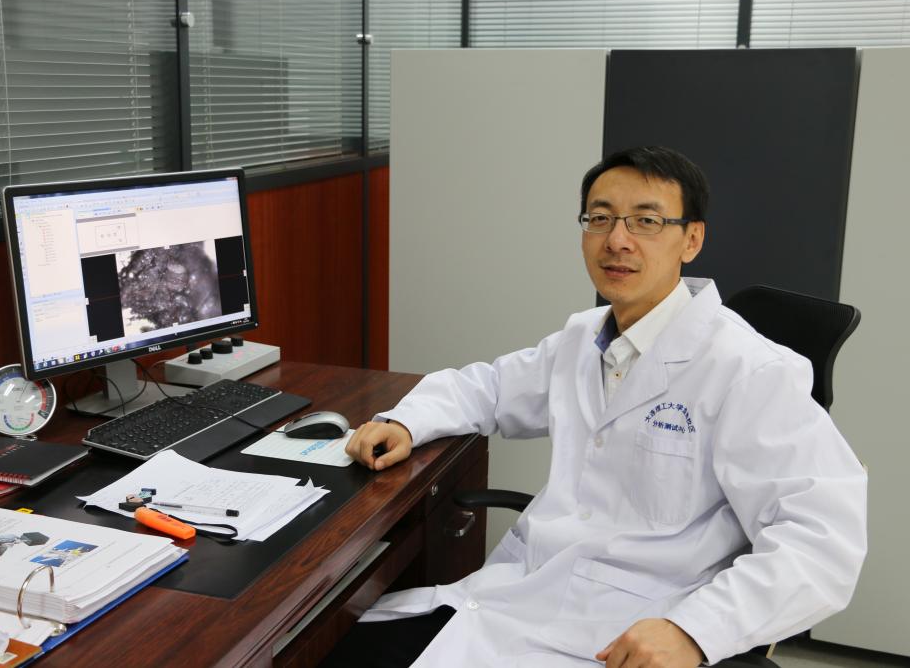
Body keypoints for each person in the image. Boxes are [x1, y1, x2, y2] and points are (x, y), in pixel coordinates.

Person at [328, 146, 868, 668]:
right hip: (522, 600)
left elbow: (822, 542)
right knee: (335, 648)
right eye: (600, 219)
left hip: (638, 633)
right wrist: (407, 421)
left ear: (692, 239)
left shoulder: (751, 370)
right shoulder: (583, 337)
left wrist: (695, 630)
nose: (617, 241)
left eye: (646, 221)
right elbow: (489, 388)